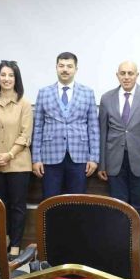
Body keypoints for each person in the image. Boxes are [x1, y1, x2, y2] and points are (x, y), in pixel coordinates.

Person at [97, 61, 140, 253]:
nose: (126, 77)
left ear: (137, 75)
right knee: (118, 208)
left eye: (130, 73)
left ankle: (136, 250)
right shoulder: (107, 98)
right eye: (123, 73)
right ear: (117, 75)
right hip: (114, 161)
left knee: (139, 207)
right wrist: (102, 164)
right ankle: (120, 250)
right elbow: (102, 132)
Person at [0, 61, 33, 258]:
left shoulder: (24, 103)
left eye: (11, 75)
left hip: (18, 162)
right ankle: (5, 239)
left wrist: (9, 154)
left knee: (17, 205)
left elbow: (25, 134)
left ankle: (16, 245)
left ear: (16, 79)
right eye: (3, 75)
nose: (6, 79)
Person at [32, 52, 99, 198]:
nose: (65, 69)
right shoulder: (44, 93)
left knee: (76, 201)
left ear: (76, 69)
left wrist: (94, 158)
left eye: (69, 66)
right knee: (50, 200)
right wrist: (36, 158)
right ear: (56, 67)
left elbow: (93, 127)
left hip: (79, 156)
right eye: (61, 66)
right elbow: (37, 128)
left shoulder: (87, 93)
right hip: (50, 156)